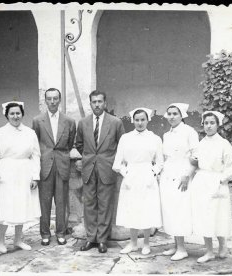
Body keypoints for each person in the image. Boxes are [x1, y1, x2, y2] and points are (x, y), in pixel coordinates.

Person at [75, 90, 125, 253]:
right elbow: (80, 144)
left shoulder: (115, 122)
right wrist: (89, 157)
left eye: (100, 101)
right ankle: (91, 239)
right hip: (89, 168)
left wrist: (110, 160)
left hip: (107, 168)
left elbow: (122, 145)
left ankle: (102, 239)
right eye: (94, 102)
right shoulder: (83, 123)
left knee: (104, 204)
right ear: (90, 104)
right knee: (89, 204)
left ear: (105, 103)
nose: (97, 104)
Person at [112, 108, 163, 255]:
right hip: (131, 177)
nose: (140, 123)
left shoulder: (155, 138)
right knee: (131, 209)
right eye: (137, 120)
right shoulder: (125, 138)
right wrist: (126, 173)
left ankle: (146, 243)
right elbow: (117, 163)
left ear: (148, 120)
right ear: (133, 121)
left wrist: (152, 173)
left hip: (147, 177)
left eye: (143, 119)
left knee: (146, 209)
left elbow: (160, 162)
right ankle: (133, 243)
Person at [0, 101, 41, 253]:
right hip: (6, 173)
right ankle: (0, 241)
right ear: (6, 115)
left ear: (22, 114)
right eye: (12, 113)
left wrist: (35, 176)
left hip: (24, 172)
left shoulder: (30, 133)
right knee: (6, 206)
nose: (15, 116)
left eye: (18, 113)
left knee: (22, 205)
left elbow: (36, 155)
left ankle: (18, 239)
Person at [190, 111, 232, 263]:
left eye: (212, 123)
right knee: (204, 216)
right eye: (206, 123)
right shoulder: (200, 144)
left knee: (219, 215)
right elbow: (196, 162)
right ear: (203, 125)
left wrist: (220, 180)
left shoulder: (224, 144)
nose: (209, 126)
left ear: (218, 125)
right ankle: (209, 251)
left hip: (217, 182)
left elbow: (231, 168)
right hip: (202, 181)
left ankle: (223, 246)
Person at [32, 88, 76, 246]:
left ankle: (60, 232)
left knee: (61, 201)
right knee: (44, 201)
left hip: (62, 164)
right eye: (49, 99)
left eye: (55, 98)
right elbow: (35, 143)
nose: (52, 101)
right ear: (45, 101)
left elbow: (70, 143)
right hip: (45, 165)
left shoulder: (69, 121)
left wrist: (62, 156)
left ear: (60, 100)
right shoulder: (38, 120)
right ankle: (45, 233)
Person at [159, 103, 199, 261]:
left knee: (180, 209)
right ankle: (176, 244)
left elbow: (196, 155)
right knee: (169, 209)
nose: (171, 116)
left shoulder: (190, 132)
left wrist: (187, 174)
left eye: (175, 113)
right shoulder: (166, 135)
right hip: (168, 174)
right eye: (169, 113)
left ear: (182, 115)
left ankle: (182, 249)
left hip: (182, 174)